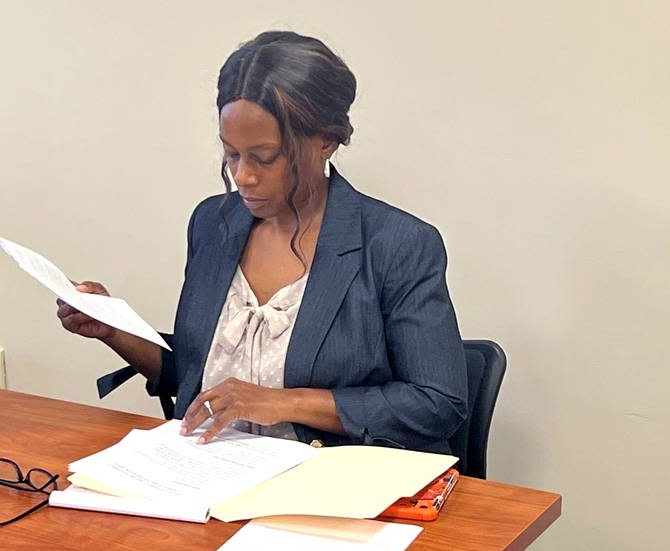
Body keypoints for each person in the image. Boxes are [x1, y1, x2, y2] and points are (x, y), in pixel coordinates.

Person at [58, 31, 468, 453]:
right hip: (210, 478)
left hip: (333, 487)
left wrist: (283, 402)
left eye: (265, 157)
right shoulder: (212, 224)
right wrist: (113, 328)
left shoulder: (397, 244)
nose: (244, 176)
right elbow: (198, 369)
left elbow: (437, 403)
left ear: (325, 140)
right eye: (231, 154)